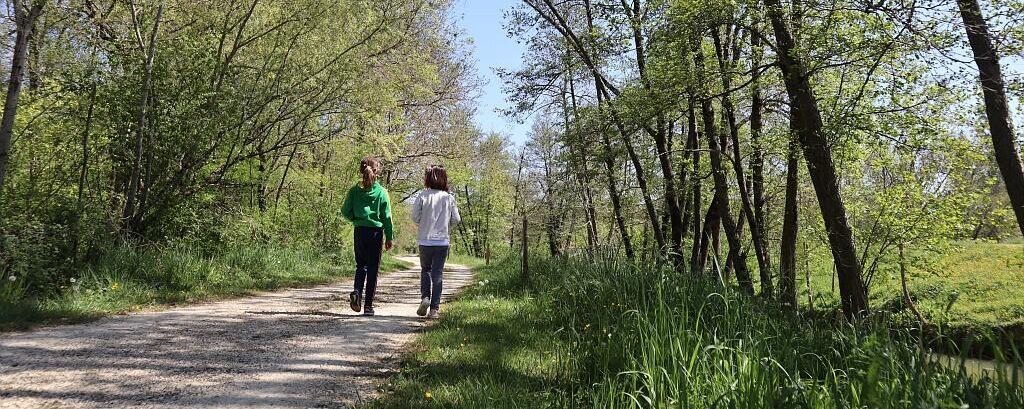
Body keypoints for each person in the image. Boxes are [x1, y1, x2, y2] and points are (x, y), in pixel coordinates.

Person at [341, 156, 394, 316]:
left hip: (359, 232)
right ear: (376, 172)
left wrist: (355, 219)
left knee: (360, 266)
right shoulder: (381, 192)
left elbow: (345, 211)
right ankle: (368, 306)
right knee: (372, 269)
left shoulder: (354, 191)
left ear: (361, 170)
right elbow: (387, 217)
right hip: (376, 233)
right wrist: (390, 236)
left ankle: (357, 292)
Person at [411, 165, 461, 319]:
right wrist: (446, 225)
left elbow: (415, 217)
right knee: (437, 274)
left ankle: (425, 298)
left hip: (425, 241)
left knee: (425, 270)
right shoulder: (449, 198)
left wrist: (423, 222)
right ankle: (434, 309)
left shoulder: (422, 196)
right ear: (444, 179)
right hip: (442, 242)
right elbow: (456, 219)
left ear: (428, 178)